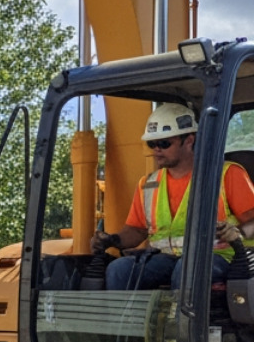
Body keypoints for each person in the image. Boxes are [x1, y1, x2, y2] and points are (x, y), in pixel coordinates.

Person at [93, 103, 254, 290]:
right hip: (167, 259)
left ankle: (182, 321)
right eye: (152, 144)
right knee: (119, 269)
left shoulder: (226, 174)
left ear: (189, 140)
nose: (156, 150)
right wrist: (111, 240)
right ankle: (126, 320)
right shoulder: (149, 185)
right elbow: (136, 231)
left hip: (221, 259)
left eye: (164, 143)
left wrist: (238, 233)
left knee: (186, 270)